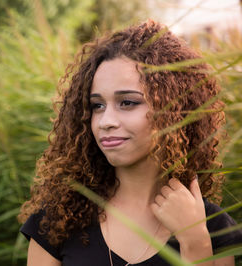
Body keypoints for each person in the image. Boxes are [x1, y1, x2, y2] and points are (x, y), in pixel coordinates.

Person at [18, 20, 242, 266]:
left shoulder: (213, 228)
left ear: (175, 111)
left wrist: (195, 241)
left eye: (127, 102)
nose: (106, 121)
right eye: (97, 106)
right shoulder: (59, 219)